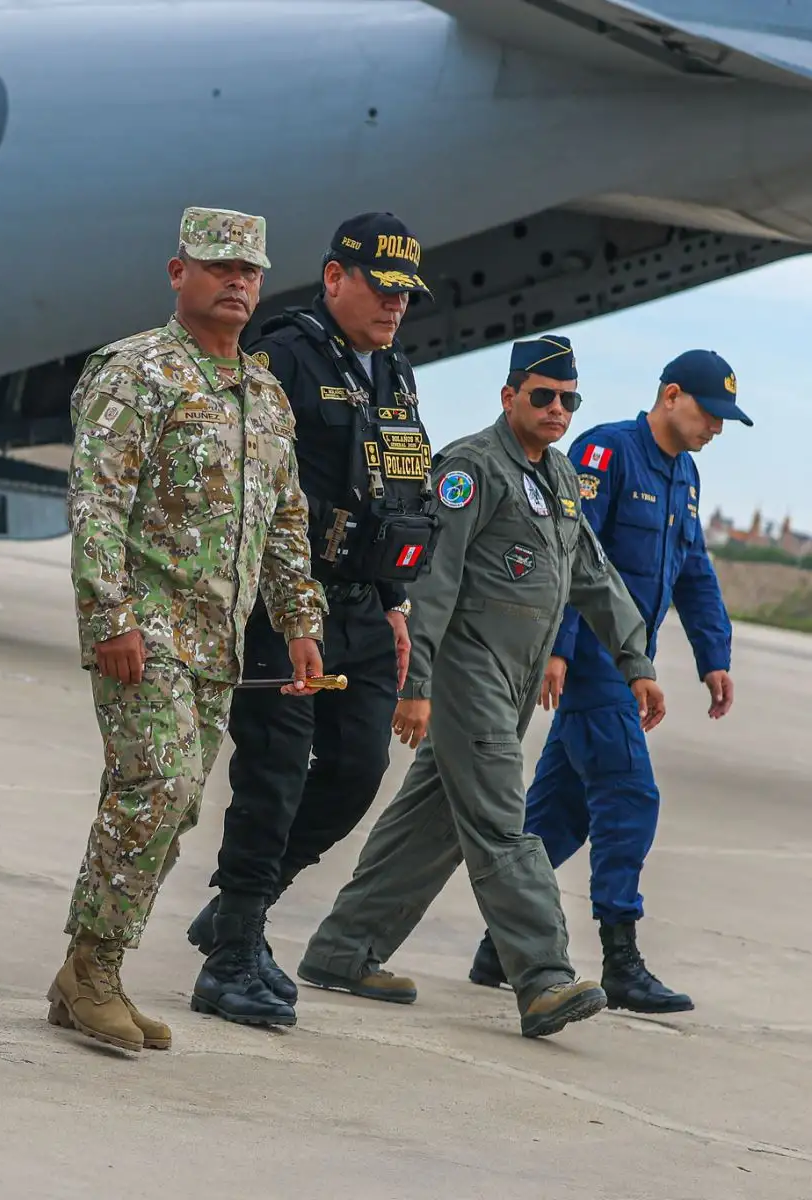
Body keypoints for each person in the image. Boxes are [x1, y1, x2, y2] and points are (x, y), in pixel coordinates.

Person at [297, 336, 666, 1039]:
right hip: (470, 676)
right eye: (542, 397)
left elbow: (593, 575)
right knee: (502, 821)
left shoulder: (557, 476)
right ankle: (544, 977)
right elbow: (431, 585)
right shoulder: (470, 469)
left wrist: (636, 662)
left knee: (431, 822)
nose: (558, 411)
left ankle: (344, 949)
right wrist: (416, 682)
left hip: (516, 677)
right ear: (509, 396)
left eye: (569, 400)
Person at [48, 208, 326, 1054]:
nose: (236, 282)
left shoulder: (265, 394)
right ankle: (91, 969)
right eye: (218, 267)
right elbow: (97, 502)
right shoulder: (136, 372)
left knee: (169, 808)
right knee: (155, 788)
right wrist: (112, 618)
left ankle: (88, 973)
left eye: (249, 270)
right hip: (146, 627)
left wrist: (302, 621)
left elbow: (285, 523)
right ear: (180, 273)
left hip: (222, 646)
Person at [186, 213, 438, 1026]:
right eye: (380, 286)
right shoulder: (284, 356)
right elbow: (256, 486)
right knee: (273, 770)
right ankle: (230, 958)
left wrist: (396, 605)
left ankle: (240, 910)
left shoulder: (395, 374)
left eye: (405, 291)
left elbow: (398, 494)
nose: (395, 304)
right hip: (284, 601)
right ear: (335, 279)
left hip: (364, 608)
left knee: (357, 771)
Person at [470, 350, 743, 1013]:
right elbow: (570, 553)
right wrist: (559, 649)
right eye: (710, 413)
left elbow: (694, 572)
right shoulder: (607, 454)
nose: (716, 427)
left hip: (625, 667)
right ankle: (621, 959)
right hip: (593, 664)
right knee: (629, 796)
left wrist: (715, 655)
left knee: (557, 818)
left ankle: (499, 946)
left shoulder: (685, 477)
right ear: (671, 396)